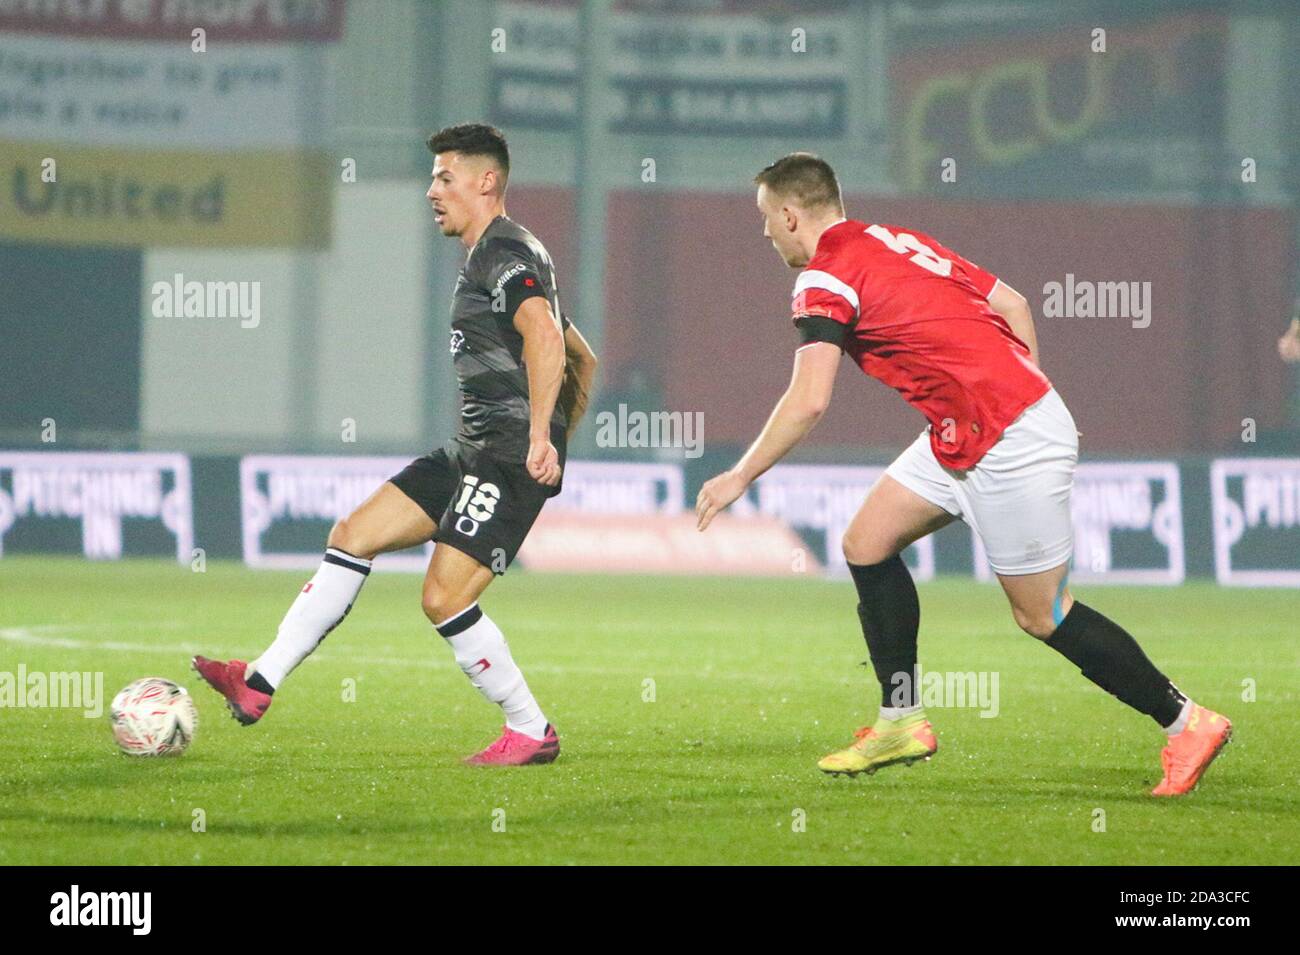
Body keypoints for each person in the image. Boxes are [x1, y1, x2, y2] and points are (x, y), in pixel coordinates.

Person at [695, 152, 1229, 796]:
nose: (764, 234)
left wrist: (739, 475)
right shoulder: (896, 239)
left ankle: (1187, 722)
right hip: (968, 430)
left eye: (764, 219)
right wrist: (1029, 391)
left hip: (1006, 436)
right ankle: (901, 721)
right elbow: (1014, 303)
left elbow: (809, 399)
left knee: (1042, 614)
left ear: (788, 214)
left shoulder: (824, 278)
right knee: (866, 543)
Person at [193, 123, 598, 766]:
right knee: (353, 533)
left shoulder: (503, 254)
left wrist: (540, 440)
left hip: (501, 456)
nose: (431, 190)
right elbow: (583, 355)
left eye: (445, 176)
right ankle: (259, 681)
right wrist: (555, 436)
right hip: (473, 449)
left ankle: (530, 728)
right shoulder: (503, 255)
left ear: (485, 181)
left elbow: (547, 342)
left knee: (442, 598)